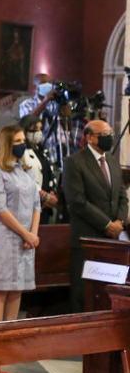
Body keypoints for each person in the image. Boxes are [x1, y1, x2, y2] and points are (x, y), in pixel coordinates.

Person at [63, 119, 128, 311]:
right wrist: (107, 224)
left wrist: (120, 221)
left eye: (111, 135)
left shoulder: (112, 162)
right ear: (90, 138)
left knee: (106, 292)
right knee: (83, 292)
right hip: (87, 236)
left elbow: (122, 196)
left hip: (112, 239)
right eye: (104, 135)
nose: (109, 139)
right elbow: (77, 201)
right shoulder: (74, 162)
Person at [0, 125, 41, 322]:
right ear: (6, 144)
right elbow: (0, 209)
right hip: (4, 236)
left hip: (26, 238)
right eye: (17, 141)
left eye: (23, 140)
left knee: (17, 289)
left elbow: (37, 205)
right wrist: (25, 234)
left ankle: (10, 333)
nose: (22, 145)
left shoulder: (25, 172)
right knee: (1, 287)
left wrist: (32, 235)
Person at [19, 114, 59, 222]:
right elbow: (23, 178)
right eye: (34, 129)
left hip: (45, 207)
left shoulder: (42, 151)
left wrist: (51, 193)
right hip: (28, 205)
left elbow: (48, 173)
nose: (38, 132)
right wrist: (44, 196)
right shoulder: (21, 152)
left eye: (40, 129)